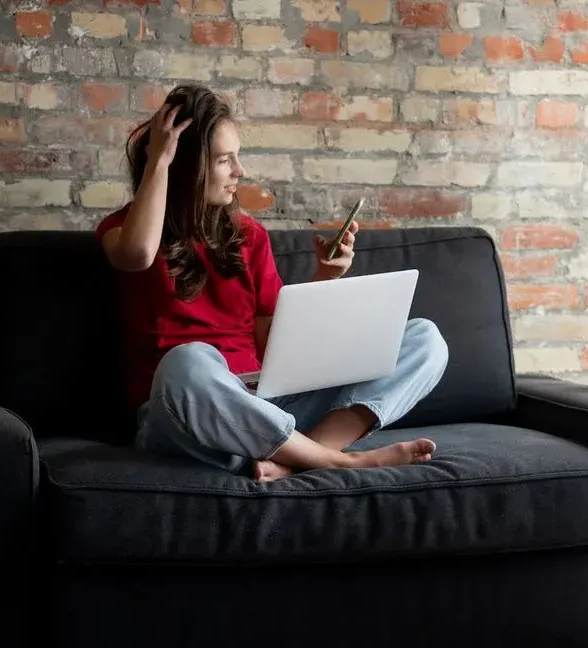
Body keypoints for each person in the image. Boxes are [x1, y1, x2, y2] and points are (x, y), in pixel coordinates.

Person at [95, 84, 449, 481]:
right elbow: (139, 254)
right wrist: (159, 159)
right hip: (187, 414)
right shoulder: (123, 230)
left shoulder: (249, 235)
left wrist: (325, 279)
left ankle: (293, 460)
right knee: (187, 361)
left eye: (237, 156)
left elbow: (276, 348)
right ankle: (337, 461)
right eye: (224, 160)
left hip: (266, 406)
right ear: (184, 164)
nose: (239, 171)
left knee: (424, 339)